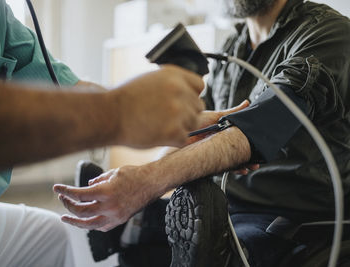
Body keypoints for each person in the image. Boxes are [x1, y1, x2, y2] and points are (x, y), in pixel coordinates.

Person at [55, 0, 350, 266]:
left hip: (288, 216)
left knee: (221, 238)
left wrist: (147, 182)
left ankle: (209, 245)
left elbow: (254, 131)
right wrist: (141, 178)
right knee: (173, 225)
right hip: (222, 203)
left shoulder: (327, 34)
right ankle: (140, 223)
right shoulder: (235, 48)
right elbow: (197, 131)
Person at [0, 0, 207, 266]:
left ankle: (144, 220)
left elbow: (61, 87)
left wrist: (169, 116)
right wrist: (118, 112)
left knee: (53, 237)